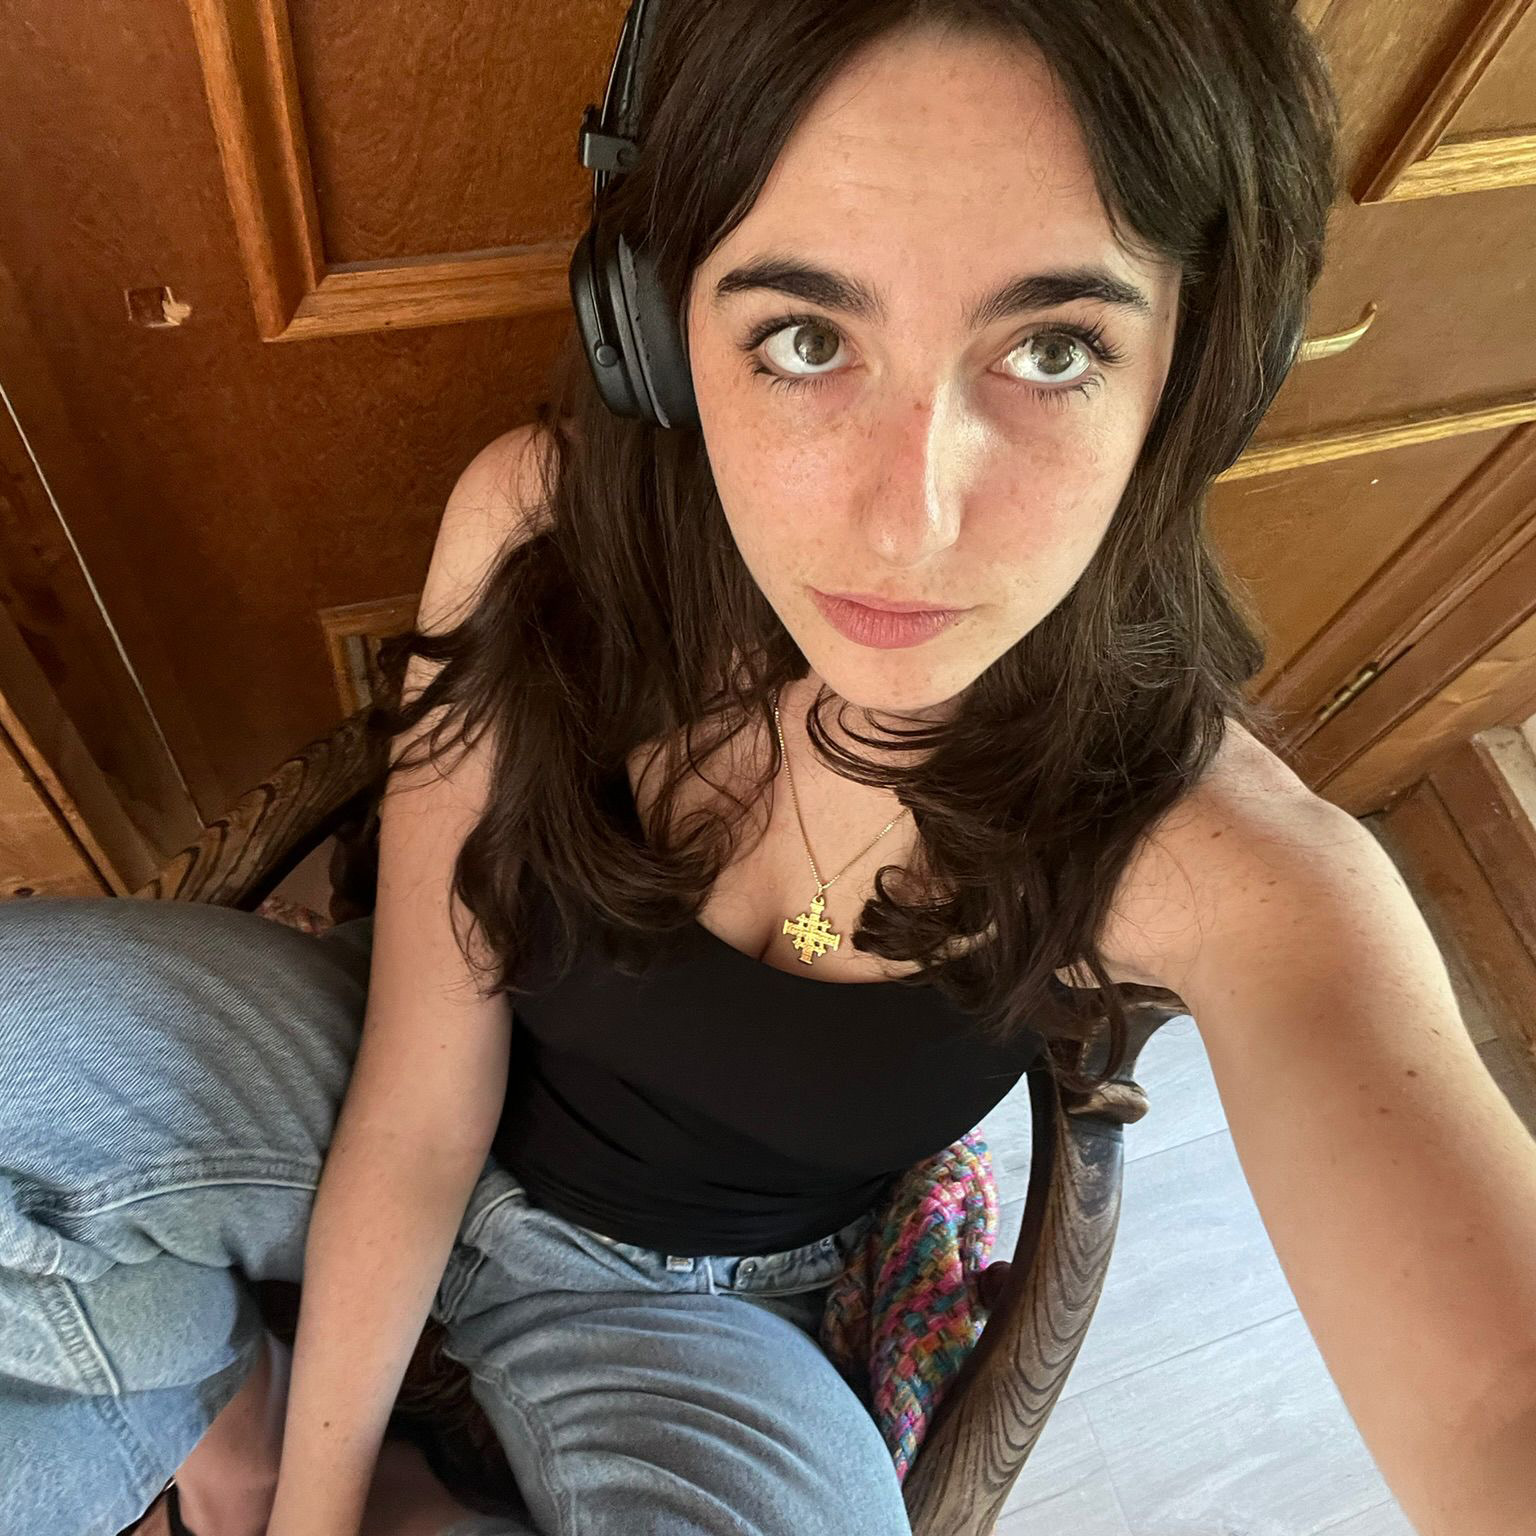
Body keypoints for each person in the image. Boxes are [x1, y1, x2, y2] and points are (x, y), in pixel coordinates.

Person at [0, 1, 1381, 1533]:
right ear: (653, 331)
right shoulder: (547, 532)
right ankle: (226, 1429)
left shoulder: (1181, 832)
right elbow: (414, 1098)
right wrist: (301, 1496)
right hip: (339, 1089)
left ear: (1198, 375)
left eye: (1052, 349)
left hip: (707, 1314)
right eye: (805, 337)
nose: (905, 520)